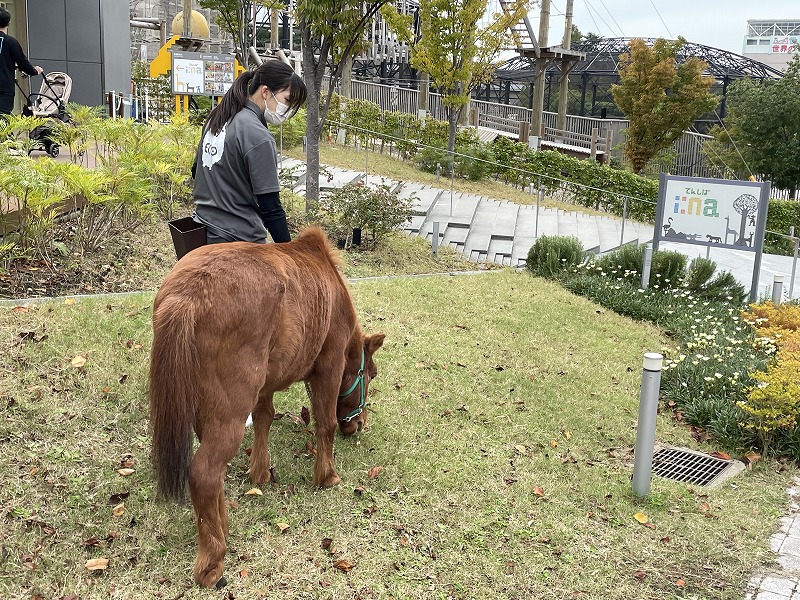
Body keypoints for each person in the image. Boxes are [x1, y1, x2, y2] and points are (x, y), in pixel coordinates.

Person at [192, 60, 306, 244]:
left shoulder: (218, 117)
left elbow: (195, 170)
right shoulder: (258, 136)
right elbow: (271, 208)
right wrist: (289, 252)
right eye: (287, 100)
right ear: (266, 91)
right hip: (239, 240)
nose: (288, 110)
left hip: (202, 231)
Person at [0, 7, 43, 116]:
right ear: (8, 23)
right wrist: (34, 71)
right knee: (2, 119)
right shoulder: (10, 42)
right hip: (4, 88)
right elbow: (23, 63)